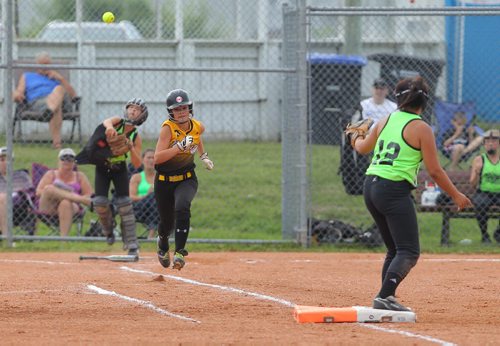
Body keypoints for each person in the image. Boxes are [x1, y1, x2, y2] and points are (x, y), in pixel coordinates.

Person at [349, 76, 471, 311]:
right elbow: (434, 170)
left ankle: (386, 296)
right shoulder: (422, 128)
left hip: (371, 186)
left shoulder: (385, 120)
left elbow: (362, 148)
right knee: (409, 251)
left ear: (398, 99)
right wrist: (456, 195)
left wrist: (354, 133)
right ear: (424, 103)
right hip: (393, 190)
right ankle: (384, 297)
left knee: (395, 249)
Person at [154, 89, 214, 270]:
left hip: (187, 179)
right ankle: (162, 242)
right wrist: (178, 147)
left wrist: (203, 156)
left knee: (182, 206)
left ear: (190, 108)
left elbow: (197, 136)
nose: (181, 112)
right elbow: (157, 158)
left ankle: (180, 252)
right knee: (167, 223)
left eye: (184, 108)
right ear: (170, 112)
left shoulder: (197, 125)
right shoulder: (167, 129)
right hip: (164, 181)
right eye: (177, 109)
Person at [88, 98, 148, 257]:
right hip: (103, 167)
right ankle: (108, 230)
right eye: (131, 108)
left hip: (119, 168)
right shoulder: (117, 122)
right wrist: (109, 128)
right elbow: (107, 121)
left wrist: (130, 147)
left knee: (125, 205)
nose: (133, 111)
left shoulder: (135, 135)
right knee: (100, 202)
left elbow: (136, 164)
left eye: (137, 109)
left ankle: (132, 243)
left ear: (142, 116)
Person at [12, 51, 77, 149]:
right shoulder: (27, 76)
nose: (45, 67)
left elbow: (73, 95)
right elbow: (19, 92)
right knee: (56, 107)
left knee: (59, 89)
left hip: (60, 103)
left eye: (47, 65)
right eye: (43, 64)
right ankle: (57, 144)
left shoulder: (56, 77)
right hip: (38, 103)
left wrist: (61, 79)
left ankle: (49, 110)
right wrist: (17, 95)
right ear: (37, 65)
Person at [36, 148, 93, 236]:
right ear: (58, 161)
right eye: (63, 158)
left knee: (65, 202)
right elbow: (39, 192)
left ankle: (63, 240)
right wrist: (60, 193)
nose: (67, 160)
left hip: (71, 207)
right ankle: (77, 198)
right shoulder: (51, 174)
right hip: (49, 206)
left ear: (74, 162)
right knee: (49, 188)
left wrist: (63, 195)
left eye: (70, 158)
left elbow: (90, 195)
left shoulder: (80, 176)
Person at [469, 129, 500, 244]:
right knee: (480, 204)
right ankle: (485, 235)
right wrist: (477, 171)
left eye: (494, 140)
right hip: (484, 192)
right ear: (484, 144)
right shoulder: (479, 159)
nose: (490, 143)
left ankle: (498, 233)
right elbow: (472, 184)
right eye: (487, 141)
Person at [0, 147, 34, 236]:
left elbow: (30, 192)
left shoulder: (21, 175)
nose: (5, 163)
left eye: (8, 160)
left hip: (18, 209)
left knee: (3, 197)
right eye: (2, 160)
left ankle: (6, 237)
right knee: (2, 198)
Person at [129, 148, 159, 239]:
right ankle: (152, 234)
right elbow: (131, 197)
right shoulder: (137, 177)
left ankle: (152, 234)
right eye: (148, 158)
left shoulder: (161, 177)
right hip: (140, 208)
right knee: (153, 195)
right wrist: (146, 195)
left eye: (153, 158)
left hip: (158, 208)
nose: (151, 160)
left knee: (156, 198)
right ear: (142, 160)